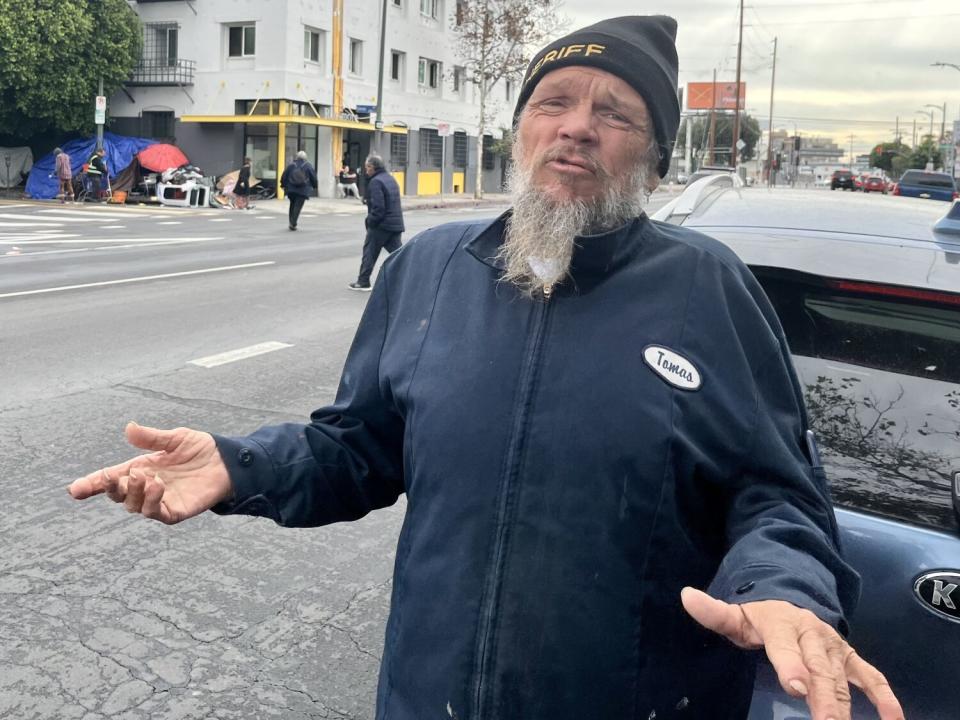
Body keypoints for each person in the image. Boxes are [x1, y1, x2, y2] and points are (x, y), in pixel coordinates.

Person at [67, 15, 904, 720]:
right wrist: (238, 463)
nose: (577, 125)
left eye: (614, 113)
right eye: (554, 102)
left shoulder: (707, 289)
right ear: (522, 131)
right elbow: (359, 446)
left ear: (654, 161)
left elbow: (779, 491)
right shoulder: (429, 267)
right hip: (427, 695)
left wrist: (788, 589)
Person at [347, 154, 404, 291]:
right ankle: (411, 278)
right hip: (395, 224)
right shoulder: (390, 179)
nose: (366, 170)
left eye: (367, 167)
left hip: (381, 225)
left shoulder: (376, 182)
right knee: (400, 255)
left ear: (372, 167)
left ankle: (363, 281)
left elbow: (379, 208)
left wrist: (370, 221)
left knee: (369, 253)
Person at [279, 149, 318, 230]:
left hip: (291, 189)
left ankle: (291, 222)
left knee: (292, 205)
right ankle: (293, 223)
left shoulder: (291, 165)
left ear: (297, 157)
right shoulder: (308, 166)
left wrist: (283, 185)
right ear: (305, 158)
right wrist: (315, 186)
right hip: (303, 190)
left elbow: (284, 176)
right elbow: (313, 177)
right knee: (298, 206)